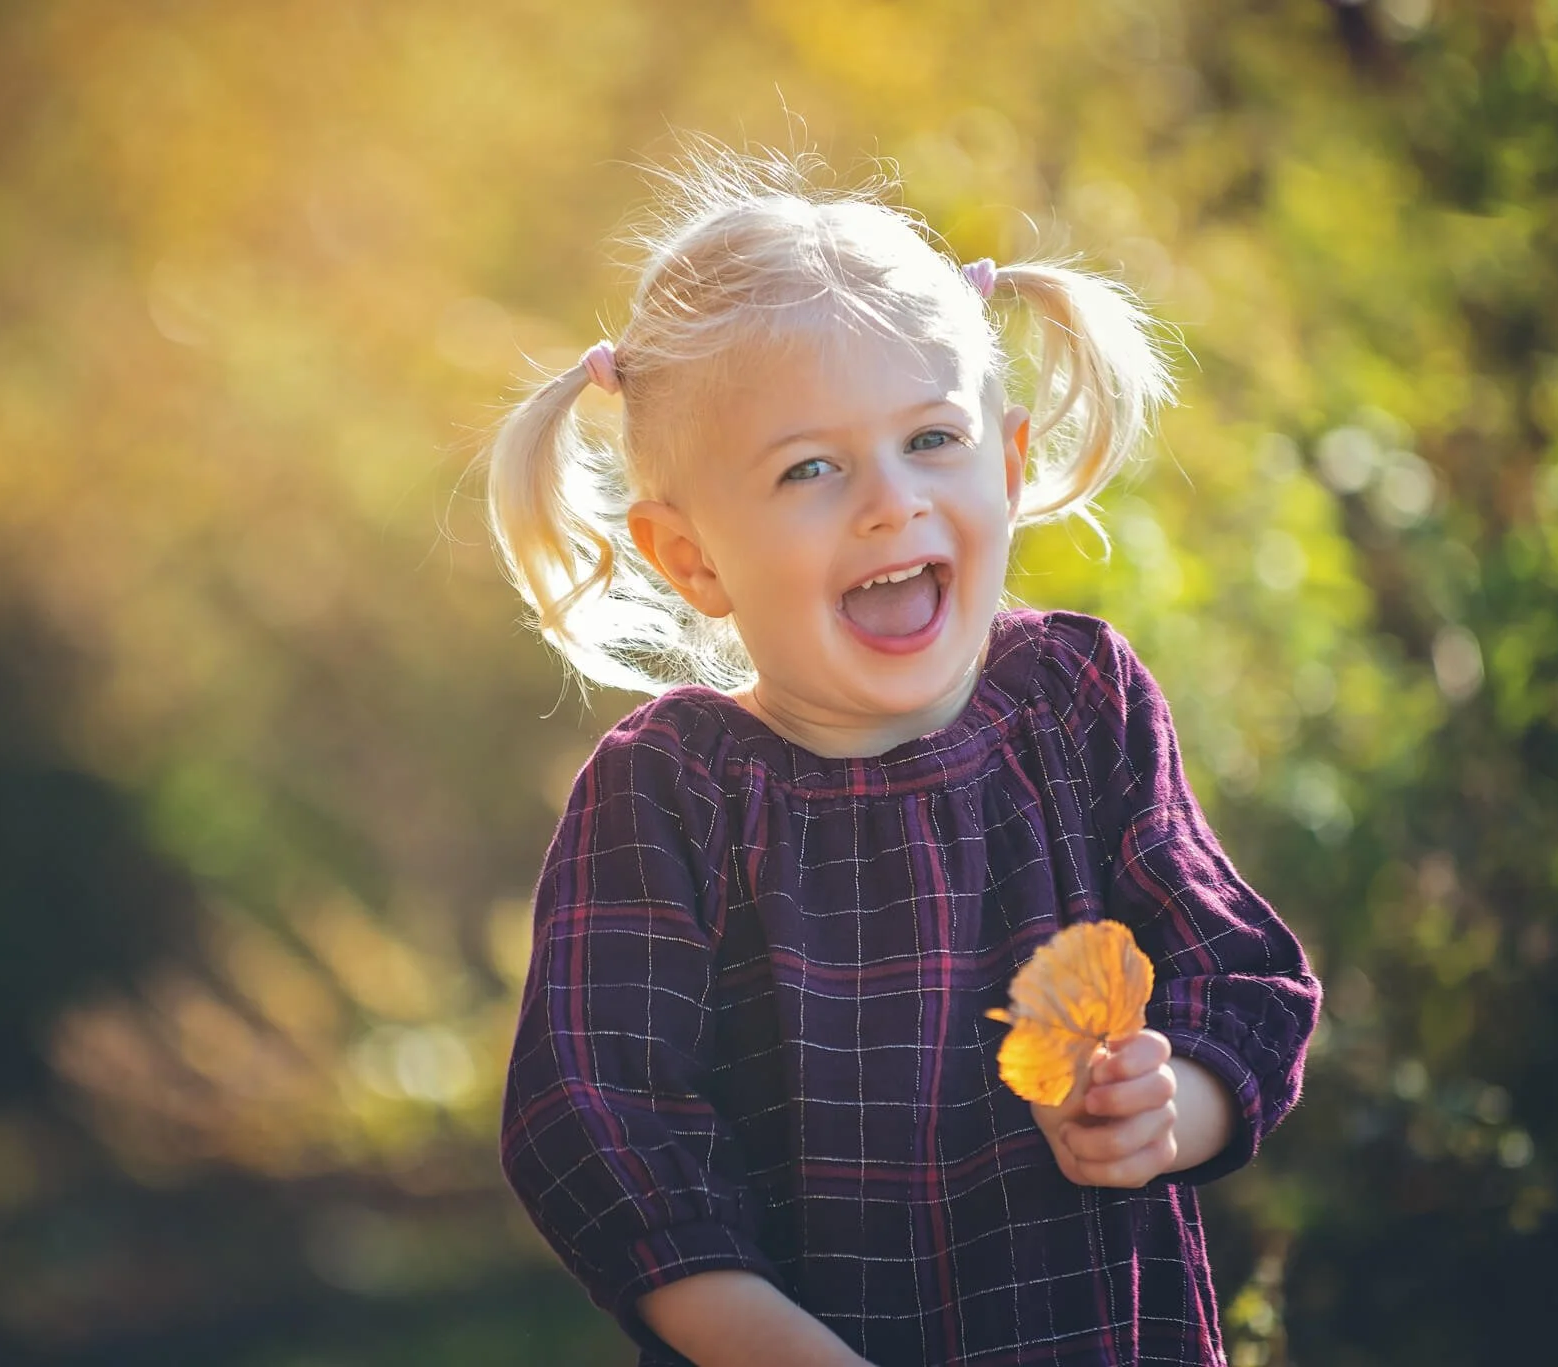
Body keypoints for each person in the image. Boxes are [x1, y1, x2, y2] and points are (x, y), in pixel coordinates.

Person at [487, 147, 1319, 1367]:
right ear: (690, 557)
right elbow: (598, 1128)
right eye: (808, 468)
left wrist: (1165, 1111)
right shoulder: (671, 791)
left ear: (1009, 461)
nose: (889, 502)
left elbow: (1237, 978)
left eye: (931, 438)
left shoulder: (1075, 706)